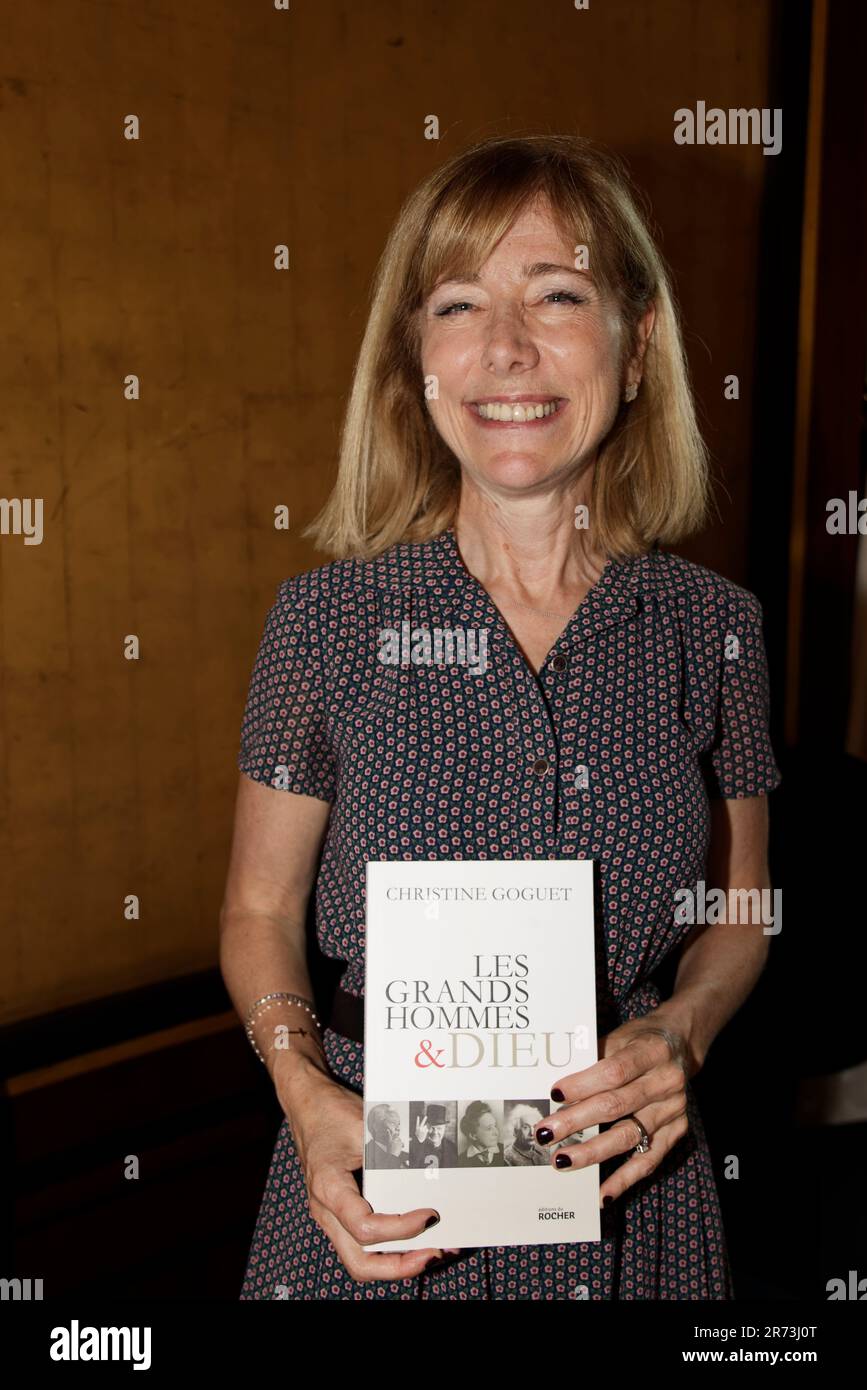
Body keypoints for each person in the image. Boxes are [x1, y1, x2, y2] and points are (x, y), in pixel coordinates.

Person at [221, 133, 781, 1300]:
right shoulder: (323, 621)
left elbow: (745, 913)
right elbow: (260, 907)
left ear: (637, 350)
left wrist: (685, 1029)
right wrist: (305, 1091)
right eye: (460, 302)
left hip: (635, 1195)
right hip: (379, 1189)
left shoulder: (712, 625)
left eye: (560, 294)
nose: (507, 347)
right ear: (415, 361)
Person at [409, 1104, 459, 1169]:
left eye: (439, 1128)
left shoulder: (452, 1148)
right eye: (432, 1128)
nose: (435, 1132)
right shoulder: (415, 1145)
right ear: (426, 1127)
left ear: (444, 1128)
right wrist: (418, 1142)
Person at [458, 1102, 506, 1167]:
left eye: (495, 1126)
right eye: (489, 1128)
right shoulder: (461, 1161)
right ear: (473, 1135)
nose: (496, 1133)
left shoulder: (505, 1152)